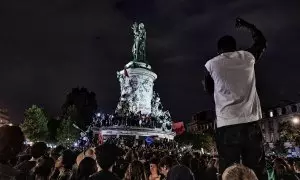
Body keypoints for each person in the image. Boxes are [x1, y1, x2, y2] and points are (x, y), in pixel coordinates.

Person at [203, 18, 267, 179]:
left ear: (219, 51)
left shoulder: (212, 64)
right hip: (251, 121)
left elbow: (209, 89)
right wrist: (248, 25)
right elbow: (261, 41)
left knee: (229, 171)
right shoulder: (247, 57)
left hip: (227, 124)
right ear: (235, 48)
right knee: (256, 169)